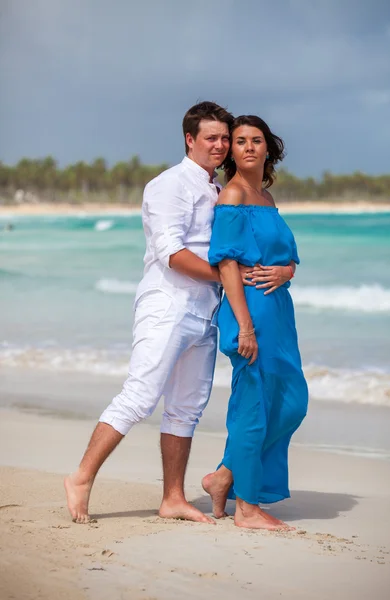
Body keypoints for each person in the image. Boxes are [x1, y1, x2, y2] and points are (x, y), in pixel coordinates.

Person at [64, 102, 272, 525]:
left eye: (223, 138)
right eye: (210, 138)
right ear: (189, 139)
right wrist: (226, 276)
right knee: (140, 396)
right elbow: (172, 254)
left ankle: (173, 498)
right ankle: (82, 477)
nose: (218, 145)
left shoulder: (218, 190)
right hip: (167, 304)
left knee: (186, 407)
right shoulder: (169, 184)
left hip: (206, 311)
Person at [201, 115, 308, 531]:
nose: (248, 146)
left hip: (279, 312)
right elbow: (227, 262)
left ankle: (224, 476)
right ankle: (246, 509)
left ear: (268, 148)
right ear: (232, 151)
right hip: (250, 314)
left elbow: (288, 255)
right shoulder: (232, 195)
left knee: (290, 401)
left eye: (256, 140)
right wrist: (244, 326)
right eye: (240, 141)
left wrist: (286, 272)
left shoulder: (264, 197)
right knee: (253, 406)